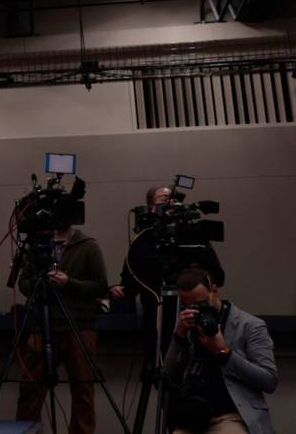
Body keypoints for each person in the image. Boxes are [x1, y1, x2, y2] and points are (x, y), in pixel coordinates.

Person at [109, 185, 226, 415]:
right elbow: (129, 283)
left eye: (174, 199)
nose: (171, 202)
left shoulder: (195, 238)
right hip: (159, 327)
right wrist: (116, 291)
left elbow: (218, 276)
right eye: (164, 199)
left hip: (198, 327)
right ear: (151, 207)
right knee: (168, 389)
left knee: (199, 392)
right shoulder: (143, 242)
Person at [15, 222, 108, 434]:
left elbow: (100, 285)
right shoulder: (36, 246)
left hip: (78, 325)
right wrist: (41, 282)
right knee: (30, 388)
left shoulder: (88, 246)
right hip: (42, 324)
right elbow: (24, 283)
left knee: (83, 389)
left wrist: (69, 283)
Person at [165, 268, 277, 434]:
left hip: (232, 415)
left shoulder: (249, 325)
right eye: (189, 305)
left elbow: (269, 380)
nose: (196, 309)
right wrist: (179, 336)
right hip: (193, 416)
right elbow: (167, 375)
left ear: (214, 291)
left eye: (201, 303)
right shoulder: (187, 324)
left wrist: (224, 352)